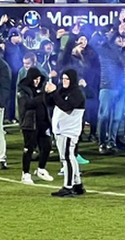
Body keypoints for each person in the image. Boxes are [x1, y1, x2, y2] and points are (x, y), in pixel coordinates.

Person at [46, 69, 87, 197]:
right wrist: (48, 93)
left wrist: (54, 92)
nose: (64, 81)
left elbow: (66, 107)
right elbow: (50, 103)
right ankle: (77, 185)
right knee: (70, 157)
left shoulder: (77, 93)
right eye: (63, 78)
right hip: (61, 130)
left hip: (69, 131)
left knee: (67, 158)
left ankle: (68, 186)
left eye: (67, 79)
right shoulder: (62, 91)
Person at [18, 68, 54, 184]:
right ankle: (25, 173)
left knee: (47, 146)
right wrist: (43, 95)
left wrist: (52, 93)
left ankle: (41, 169)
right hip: (29, 123)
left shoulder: (41, 88)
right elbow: (27, 104)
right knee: (29, 149)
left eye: (38, 79)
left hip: (42, 122)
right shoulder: (22, 89)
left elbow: (49, 102)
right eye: (35, 79)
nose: (37, 82)